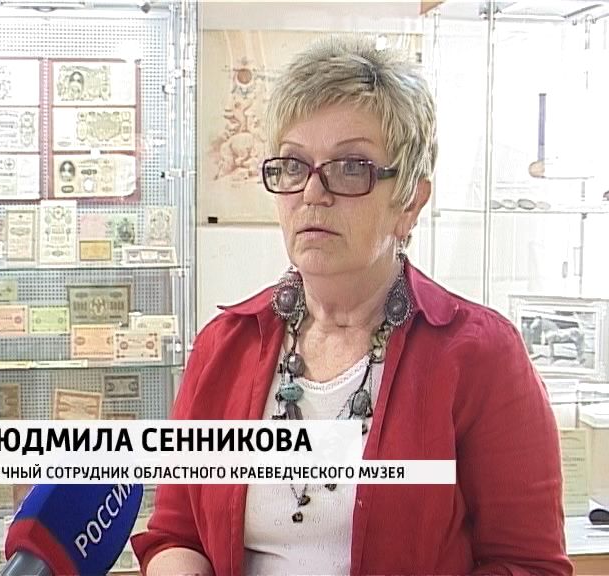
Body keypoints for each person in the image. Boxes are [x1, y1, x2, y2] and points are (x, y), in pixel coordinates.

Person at [131, 34, 571, 576]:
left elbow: (528, 564)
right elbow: (177, 533)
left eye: (350, 167)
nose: (312, 193)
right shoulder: (225, 345)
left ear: (409, 200)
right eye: (293, 166)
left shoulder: (482, 355)